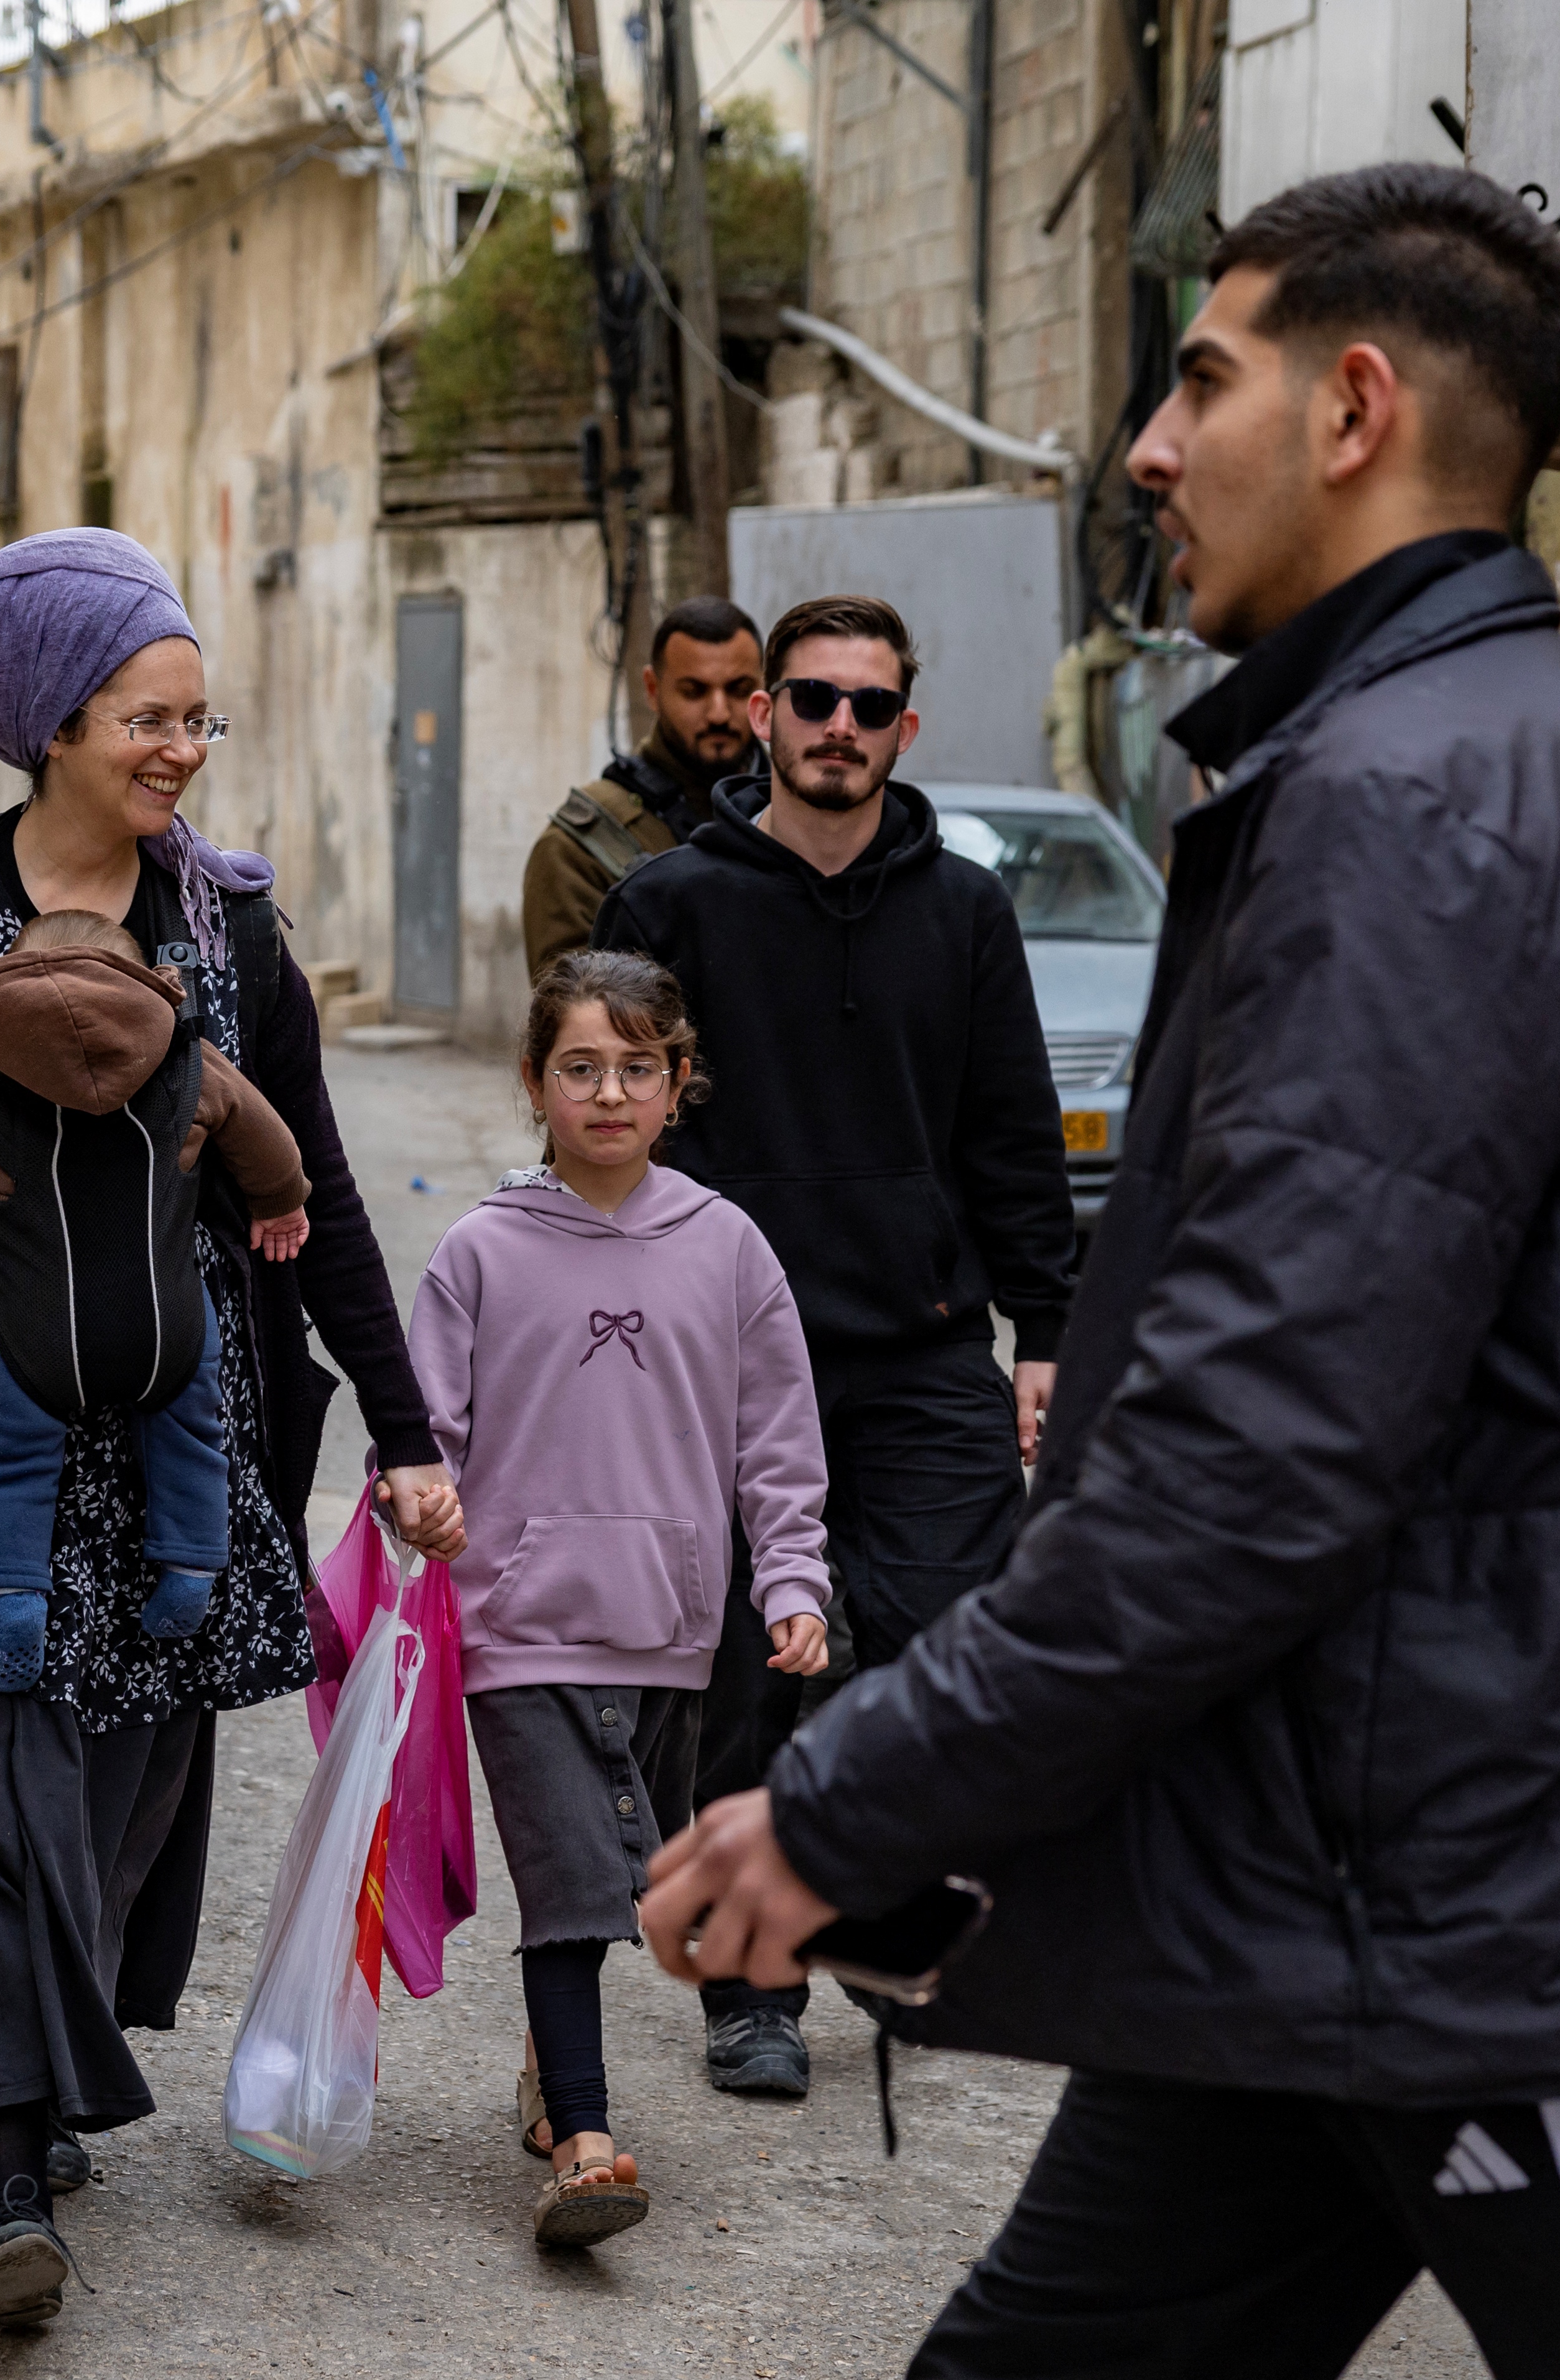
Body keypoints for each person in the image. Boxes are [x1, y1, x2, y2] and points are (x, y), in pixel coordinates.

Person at [643, 164, 1560, 2379]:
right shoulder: (1440, 754)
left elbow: (1245, 1460)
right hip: (1332, 1876)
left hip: (1507, 1889)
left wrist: (850, 1791)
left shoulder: (1422, 799)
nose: (1140, 443)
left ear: (1352, 408)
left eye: (1196, 377)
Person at [0, 527, 462, 2329]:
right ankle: (8, 2172)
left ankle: (33, 2094)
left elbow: (318, 1203)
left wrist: (407, 1428)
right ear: (51, 717)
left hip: (170, 1462)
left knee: (103, 1810)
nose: (182, 752)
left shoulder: (226, 927)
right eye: (149, 715)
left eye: (199, 719)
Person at [589, 590, 1073, 2101]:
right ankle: (752, 1982)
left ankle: (894, 1929)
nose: (839, 729)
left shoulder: (967, 911)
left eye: (871, 707)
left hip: (926, 1353)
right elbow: (612, 1128)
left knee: (946, 1649)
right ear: (766, 716)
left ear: (904, 728)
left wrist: (1047, 1327)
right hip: (732, 1364)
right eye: (813, 700)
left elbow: (1012, 1130)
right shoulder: (672, 903)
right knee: (741, 1675)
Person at [409, 948, 830, 2249]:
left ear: (676, 1081)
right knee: (575, 1875)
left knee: (620, 1871)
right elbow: (419, 1426)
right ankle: (586, 2140)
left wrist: (794, 1572)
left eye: (634, 1067)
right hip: (517, 1624)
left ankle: (548, 2069)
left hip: (670, 1627)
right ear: (534, 1080)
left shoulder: (728, 1246)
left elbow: (778, 1437)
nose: (606, 1092)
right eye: (579, 1067)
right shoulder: (478, 1249)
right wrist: (410, 1491)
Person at [0, 904, 316, 1686]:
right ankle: (191, 1572)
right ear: (148, 985)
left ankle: (16, 1595)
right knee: (194, 1442)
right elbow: (266, 1137)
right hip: (171, 1329)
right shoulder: (191, 1064)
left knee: (6, 1461)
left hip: (33, 1341)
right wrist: (281, 1200)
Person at [519, 596, 764, 979]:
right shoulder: (578, 850)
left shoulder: (807, 814)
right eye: (694, 691)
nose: (719, 713)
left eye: (739, 689)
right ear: (653, 689)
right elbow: (574, 1017)